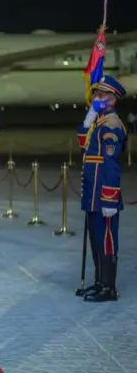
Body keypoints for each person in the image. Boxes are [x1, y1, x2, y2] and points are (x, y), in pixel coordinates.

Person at [76, 75, 126, 303]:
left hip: (103, 195)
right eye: (96, 95)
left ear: (112, 100)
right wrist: (90, 114)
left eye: (102, 96)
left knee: (106, 242)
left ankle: (109, 287)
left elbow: (111, 167)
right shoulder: (98, 123)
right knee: (96, 240)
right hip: (92, 194)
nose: (96, 98)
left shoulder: (112, 127)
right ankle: (98, 282)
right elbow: (82, 142)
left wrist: (109, 199)